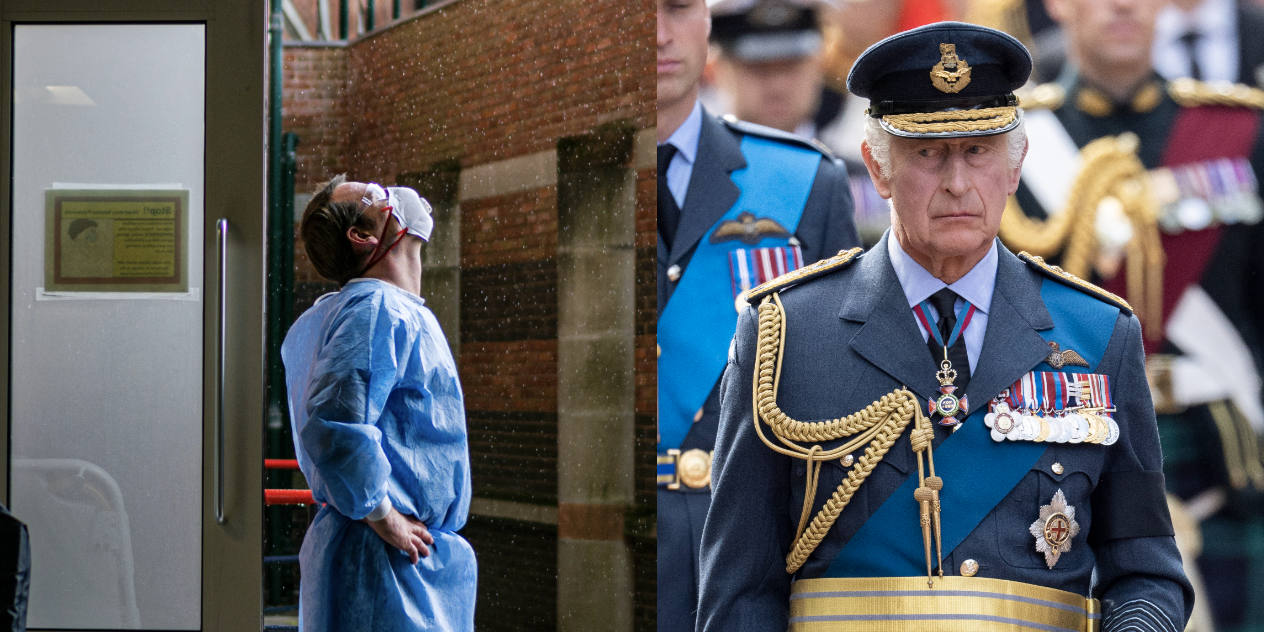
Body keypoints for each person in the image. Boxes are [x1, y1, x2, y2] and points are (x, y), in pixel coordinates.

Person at [697, 22, 1192, 632]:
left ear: (1014, 169)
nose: (957, 183)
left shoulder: (1096, 334)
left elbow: (1147, 571)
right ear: (878, 169)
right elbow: (740, 593)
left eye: (978, 151)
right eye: (927, 154)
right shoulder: (786, 334)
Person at [1001, 0, 1264, 628]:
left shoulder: (1238, 130)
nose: (1123, 6)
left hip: (1223, 452)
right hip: (1065, 447)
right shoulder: (1010, 141)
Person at [657, 0, 859, 629]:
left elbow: (842, 408)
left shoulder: (806, 182)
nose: (657, 33)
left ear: (707, 21)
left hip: (751, 558)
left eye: (677, 6)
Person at [281, 175, 475, 631]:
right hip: (386, 561)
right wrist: (383, 516)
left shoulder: (370, 311)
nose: (391, 191)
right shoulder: (377, 311)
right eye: (374, 193)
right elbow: (333, 425)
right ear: (363, 237)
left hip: (394, 557)